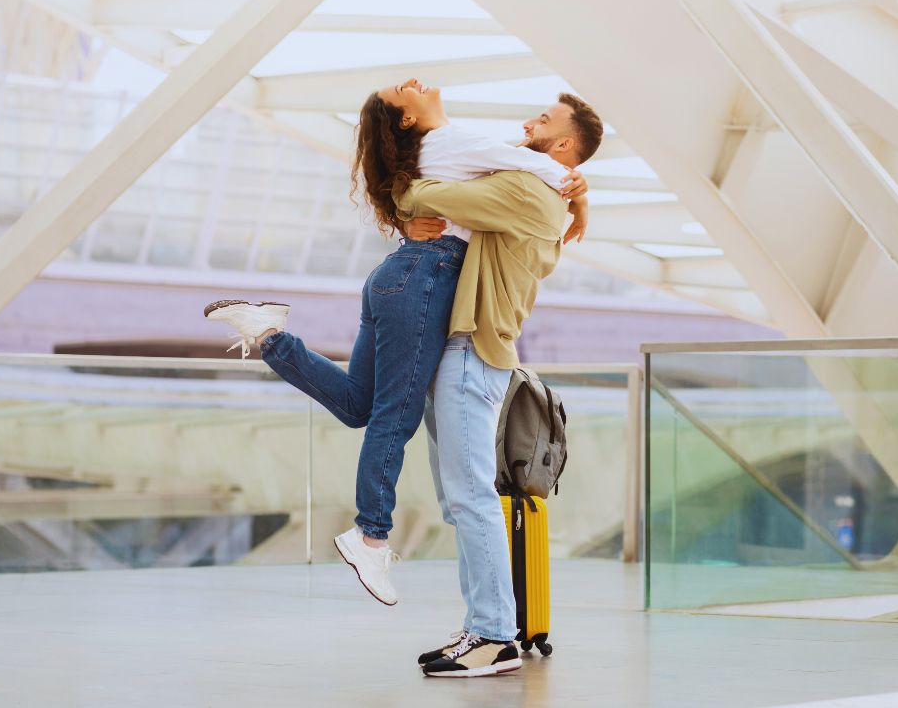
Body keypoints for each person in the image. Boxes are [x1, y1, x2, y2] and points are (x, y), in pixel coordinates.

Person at [203, 78, 587, 608]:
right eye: (403, 90)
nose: (416, 82)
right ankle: (370, 535)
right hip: (425, 278)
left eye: (543, 122)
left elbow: (493, 173)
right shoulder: (460, 147)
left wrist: (574, 192)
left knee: (360, 405)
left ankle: (268, 334)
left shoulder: (460, 153)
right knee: (393, 417)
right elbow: (525, 174)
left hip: (398, 277)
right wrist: (573, 184)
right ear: (406, 120)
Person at [396, 94, 604, 677]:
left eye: (542, 122)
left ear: (563, 145)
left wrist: (403, 197)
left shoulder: (528, 192)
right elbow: (467, 169)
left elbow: (429, 192)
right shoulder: (537, 182)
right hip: (460, 350)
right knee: (460, 501)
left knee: (471, 497)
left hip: (470, 350)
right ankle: (480, 627)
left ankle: (494, 636)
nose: (526, 125)